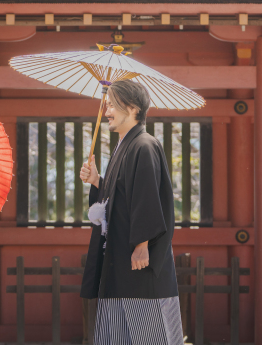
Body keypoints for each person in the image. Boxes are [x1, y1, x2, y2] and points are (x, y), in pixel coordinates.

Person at [79, 80, 183, 345]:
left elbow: (147, 197)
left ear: (133, 108)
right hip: (119, 257)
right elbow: (122, 197)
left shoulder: (144, 145)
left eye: (112, 105)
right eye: (107, 105)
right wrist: (97, 181)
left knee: (148, 333)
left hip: (139, 259)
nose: (107, 111)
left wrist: (142, 243)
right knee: (117, 334)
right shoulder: (124, 146)